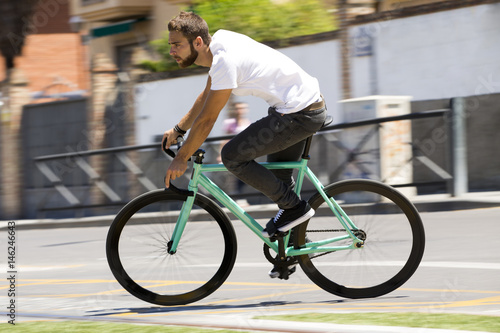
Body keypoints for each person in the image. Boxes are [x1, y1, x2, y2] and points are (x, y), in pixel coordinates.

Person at [162, 12, 327, 277]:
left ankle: (297, 209)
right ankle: (294, 250)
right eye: (170, 45)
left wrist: (182, 157)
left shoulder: (224, 61)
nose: (171, 51)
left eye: (177, 44)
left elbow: (207, 120)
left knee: (232, 156)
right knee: (281, 181)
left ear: (198, 43)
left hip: (298, 113)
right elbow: (207, 95)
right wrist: (180, 128)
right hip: (300, 107)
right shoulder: (221, 43)